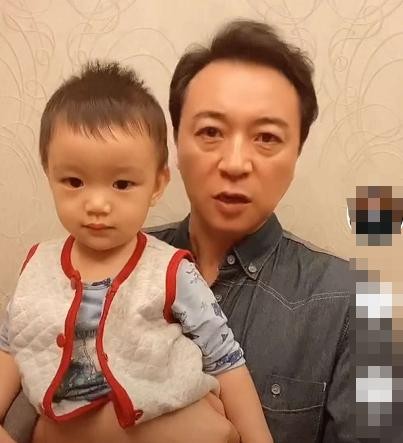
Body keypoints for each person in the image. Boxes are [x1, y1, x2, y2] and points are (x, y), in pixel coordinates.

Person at [3, 19, 356, 443]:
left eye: (266, 137)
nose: (235, 163)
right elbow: (29, 399)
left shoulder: (352, 302)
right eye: (210, 132)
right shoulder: (80, 263)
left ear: (297, 150)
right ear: (175, 142)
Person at [0, 61, 273, 443]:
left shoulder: (171, 271)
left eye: (122, 184)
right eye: (74, 181)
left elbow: (227, 362)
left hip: (163, 422)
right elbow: (14, 345)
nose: (97, 204)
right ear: (49, 173)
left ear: (157, 184)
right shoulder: (38, 266)